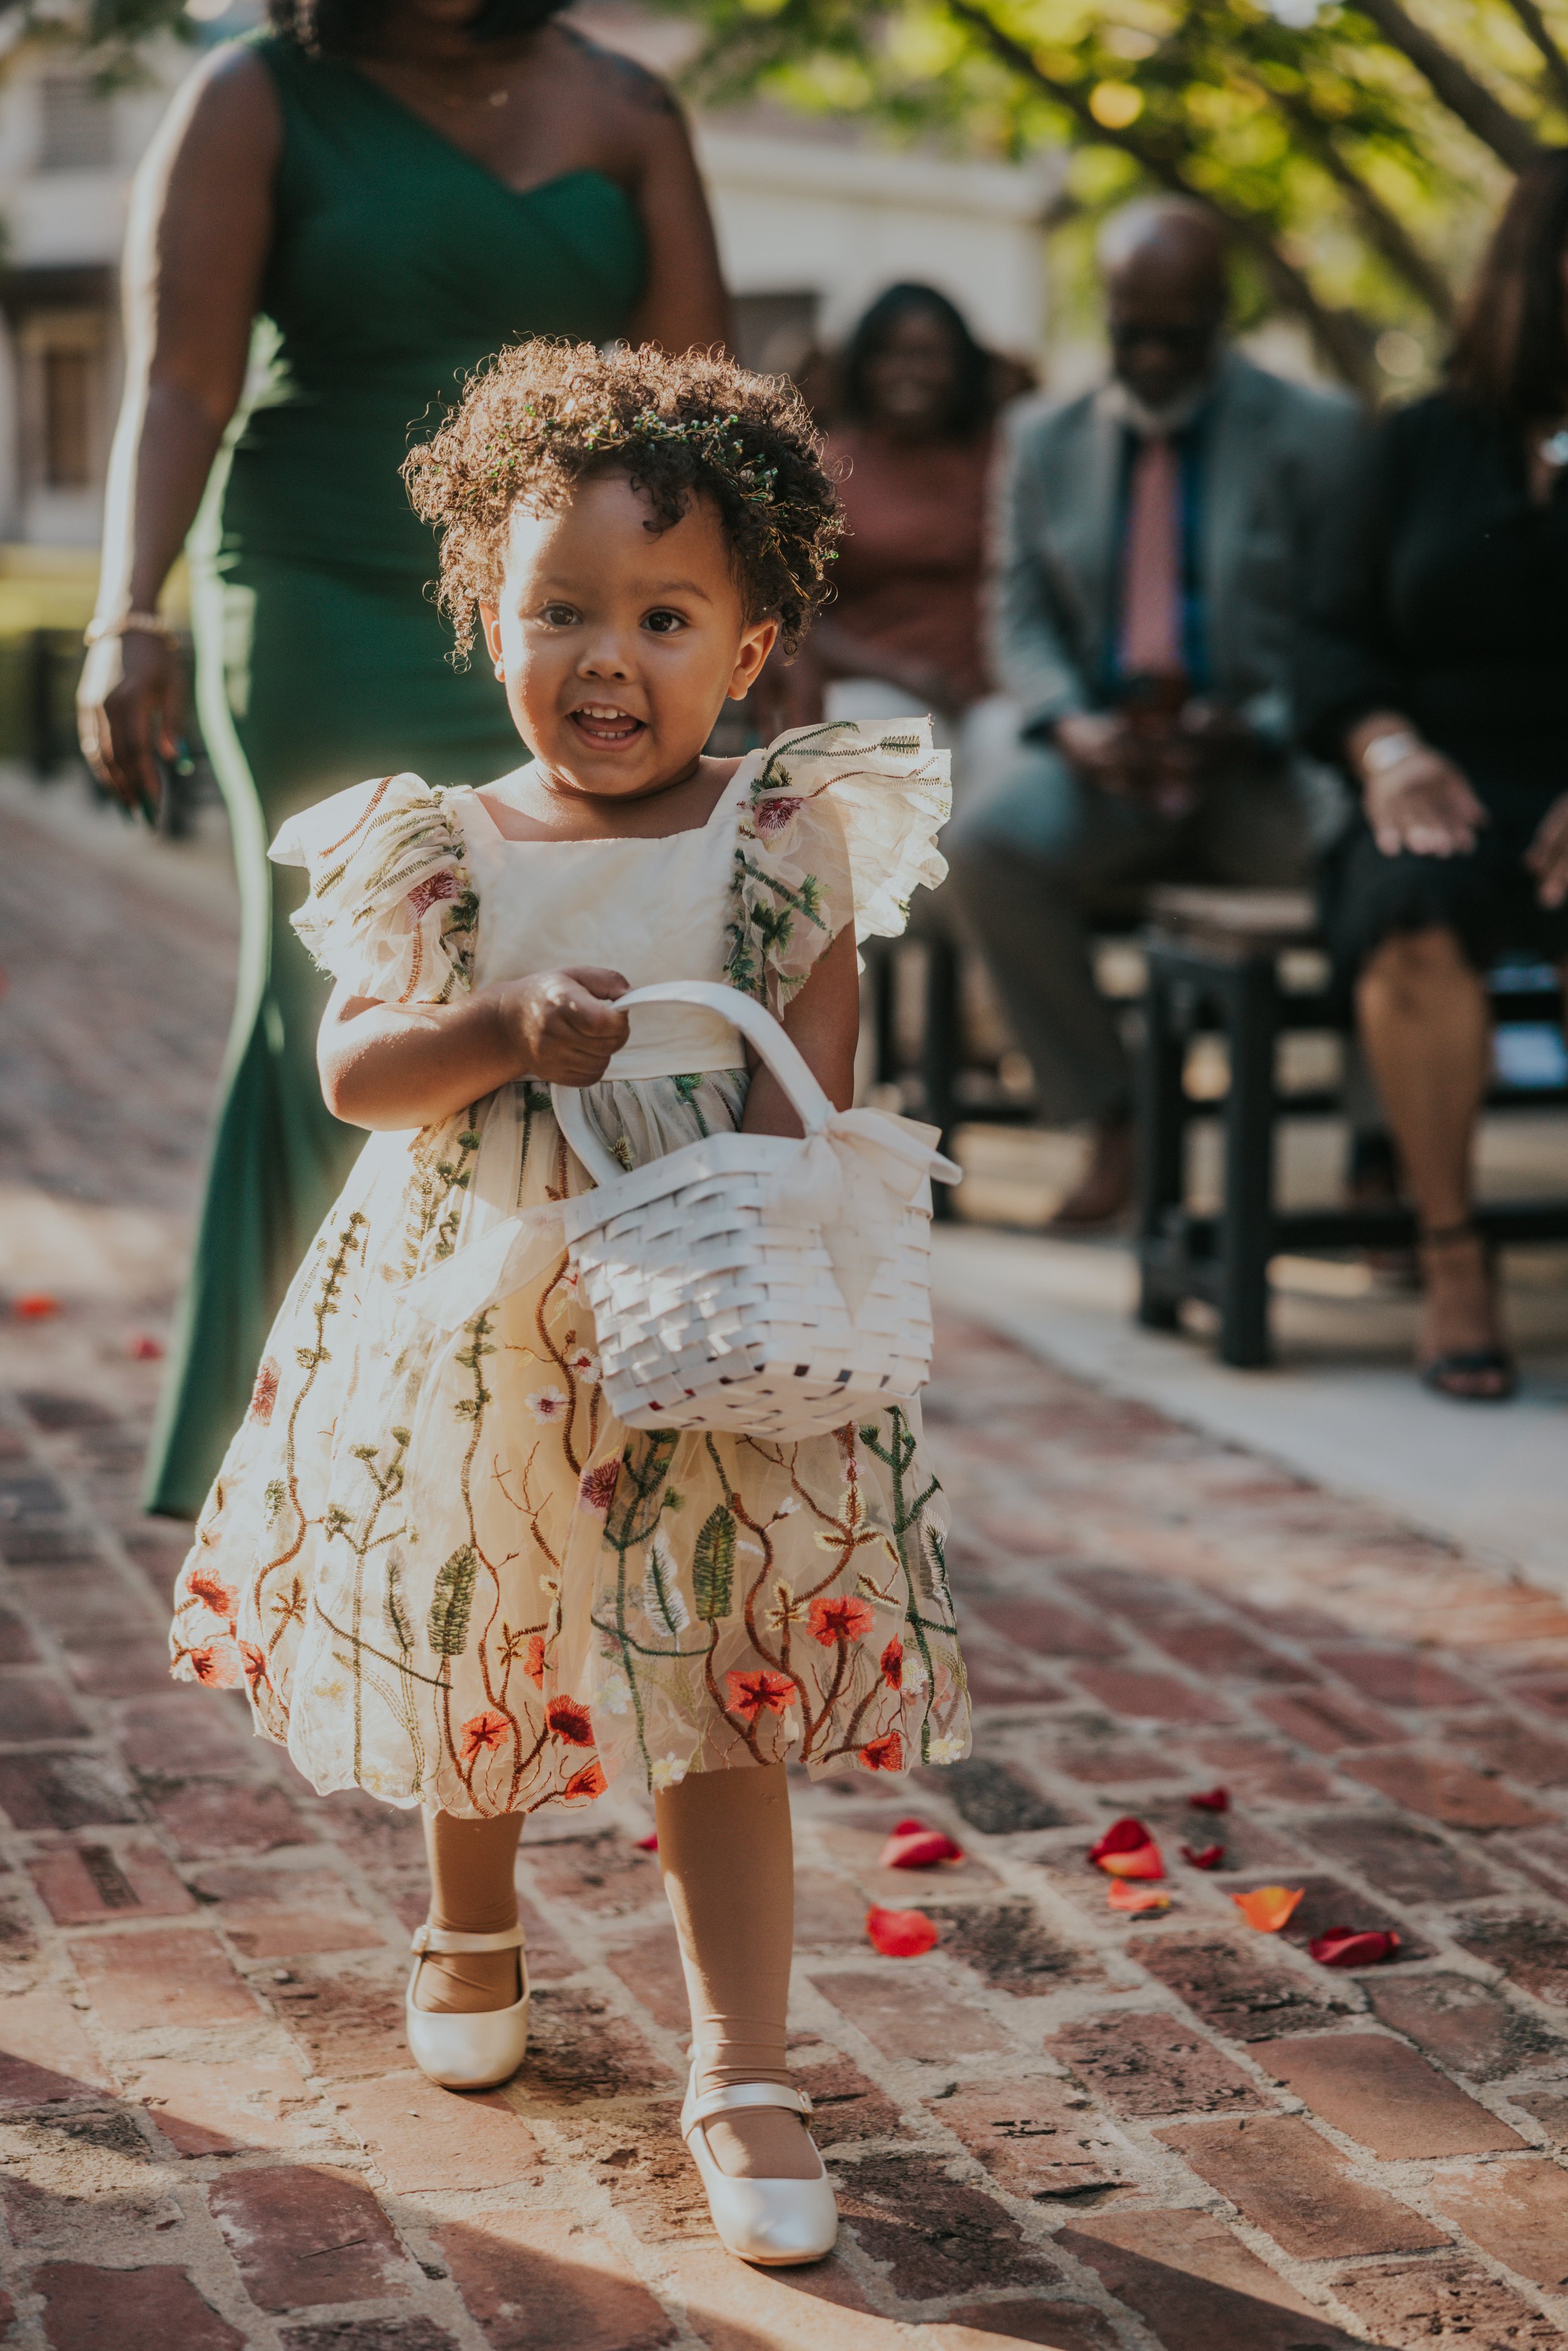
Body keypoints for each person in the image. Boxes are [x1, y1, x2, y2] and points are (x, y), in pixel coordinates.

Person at [166, 341, 968, 2262]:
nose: (605, 657)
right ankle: (470, 1920)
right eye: (558, 611)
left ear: (749, 650)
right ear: (490, 618)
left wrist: (767, 1198)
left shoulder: (778, 838)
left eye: (662, 617)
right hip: (481, 1311)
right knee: (479, 1611)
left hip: (708, 1317)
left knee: (726, 1682)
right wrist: (499, 1027)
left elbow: (813, 1075)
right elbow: (356, 1075)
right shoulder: (439, 842)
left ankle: (741, 2060)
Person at [77, 0, 729, 1521]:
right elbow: (180, 382)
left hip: (578, 609)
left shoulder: (630, 107)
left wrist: (741, 625)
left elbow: (705, 407)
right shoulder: (254, 97)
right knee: (355, 989)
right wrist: (127, 609)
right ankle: (296, 1427)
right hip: (325, 597)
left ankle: (531, 1401)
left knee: (570, 978)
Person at [945, 198, 1363, 1227]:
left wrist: (1258, 721)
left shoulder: (1318, 432)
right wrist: (1068, 725)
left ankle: (1382, 1142)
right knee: (984, 846)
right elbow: (1020, 616)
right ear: (1110, 311)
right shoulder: (1040, 438)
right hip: (1107, 758)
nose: (1155, 356)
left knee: (1377, 859)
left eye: (1180, 334)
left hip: (1261, 758)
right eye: (1134, 331)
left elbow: (1346, 622)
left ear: (1223, 315)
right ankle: (1111, 1116)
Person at [1298, 154, 1568, 1402]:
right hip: (1434, 779)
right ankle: (1451, 1252)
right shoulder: (1414, 444)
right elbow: (1328, 641)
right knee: (1408, 910)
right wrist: (1386, 752)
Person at [788, 284, 997, 745]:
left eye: (930, 356)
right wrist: (907, 675)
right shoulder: (826, 468)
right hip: (875, 694)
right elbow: (798, 618)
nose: (911, 373)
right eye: (891, 355)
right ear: (862, 365)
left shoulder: (1001, 458)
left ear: (962, 366)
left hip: (995, 700)